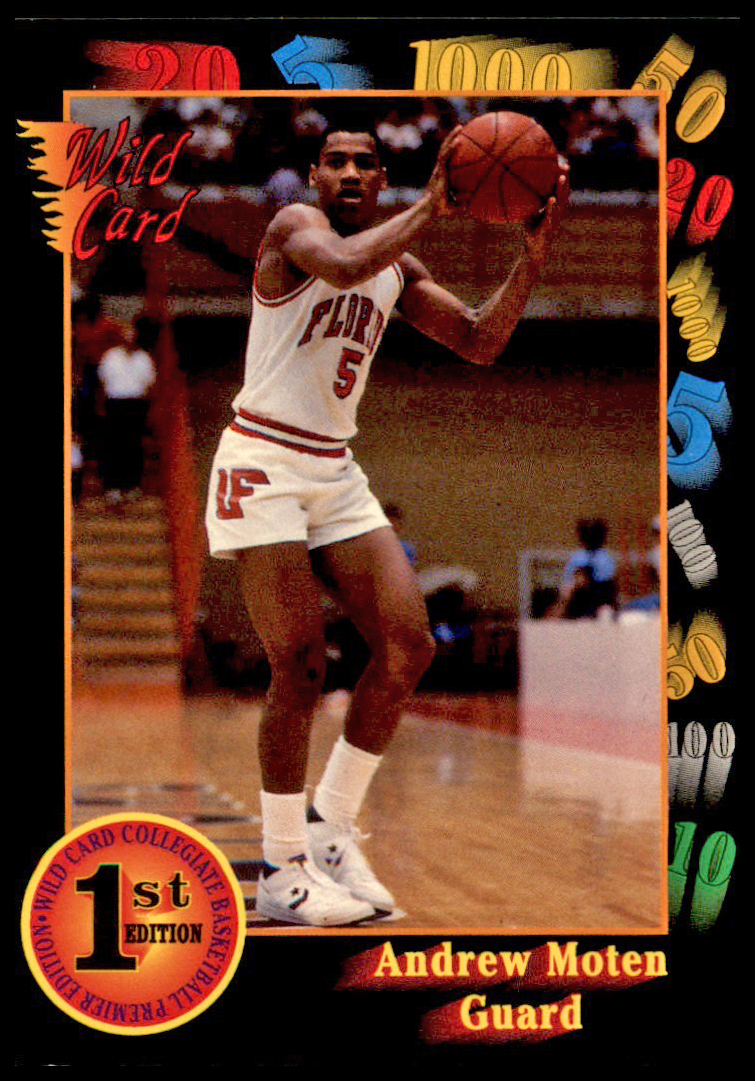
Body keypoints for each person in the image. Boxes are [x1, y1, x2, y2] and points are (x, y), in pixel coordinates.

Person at [205, 116, 568, 926]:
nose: (347, 172)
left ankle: (330, 830)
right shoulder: (294, 228)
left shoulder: (398, 268)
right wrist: (435, 205)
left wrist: (531, 257)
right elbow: (342, 265)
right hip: (262, 459)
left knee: (409, 645)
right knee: (299, 662)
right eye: (333, 161)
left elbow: (478, 341)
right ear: (314, 174)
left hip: (331, 467)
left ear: (380, 179)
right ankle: (280, 869)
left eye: (363, 163)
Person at [98, 322, 156, 503]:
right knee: (113, 445)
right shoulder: (110, 356)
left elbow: (149, 383)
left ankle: (132, 486)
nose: (129, 340)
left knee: (134, 445)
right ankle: (112, 487)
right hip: (115, 404)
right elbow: (103, 380)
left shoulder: (144, 358)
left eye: (132, 337)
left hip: (136, 405)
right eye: (126, 336)